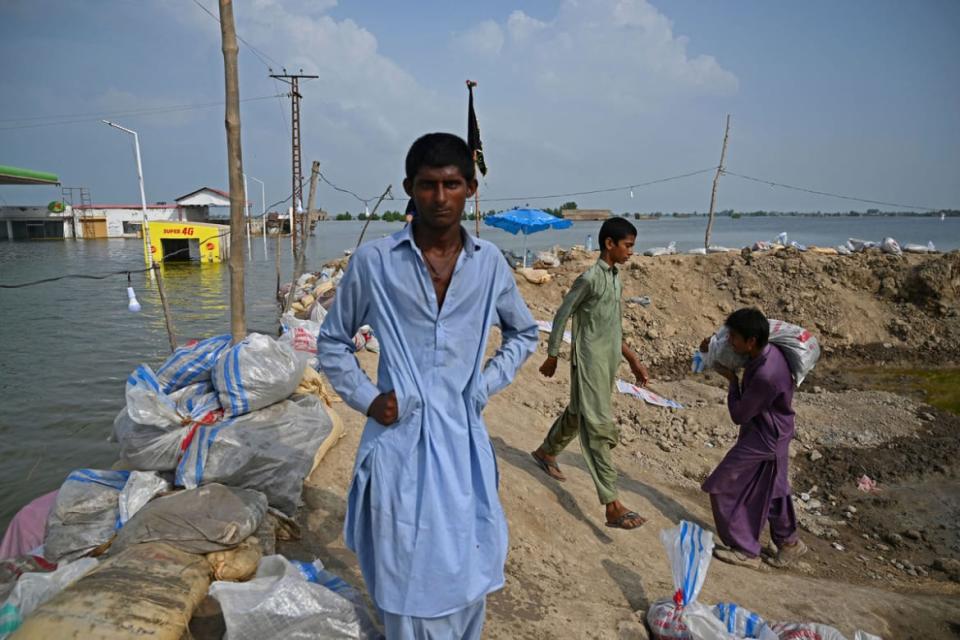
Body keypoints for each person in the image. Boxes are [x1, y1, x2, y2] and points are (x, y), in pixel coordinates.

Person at [317, 132, 538, 638]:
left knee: (466, 563)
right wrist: (371, 400)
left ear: (471, 188)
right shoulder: (375, 263)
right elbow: (332, 341)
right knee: (400, 568)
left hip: (462, 444)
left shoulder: (488, 265)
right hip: (399, 443)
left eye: (452, 184)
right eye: (428, 185)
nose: (440, 198)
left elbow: (523, 332)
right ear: (409, 189)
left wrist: (481, 388)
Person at [531, 217, 650, 530]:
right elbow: (561, 314)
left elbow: (613, 326)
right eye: (628, 246)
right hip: (587, 364)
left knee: (578, 412)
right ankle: (612, 503)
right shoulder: (590, 278)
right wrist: (553, 354)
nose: (631, 252)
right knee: (597, 426)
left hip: (607, 364)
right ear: (609, 244)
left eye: (633, 246)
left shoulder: (615, 279)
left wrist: (633, 359)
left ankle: (546, 451)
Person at [700, 308, 806, 569]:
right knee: (774, 487)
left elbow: (739, 414)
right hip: (778, 431)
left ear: (751, 341)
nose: (730, 342)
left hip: (764, 436)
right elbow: (729, 349)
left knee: (722, 485)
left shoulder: (765, 375)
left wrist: (731, 381)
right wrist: (713, 346)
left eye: (734, 338)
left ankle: (746, 548)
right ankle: (789, 543)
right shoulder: (768, 353)